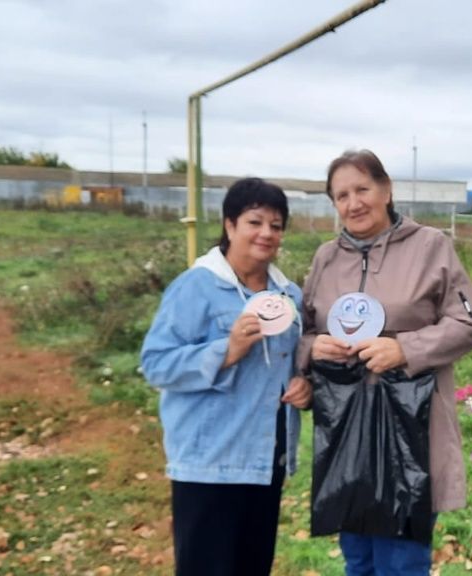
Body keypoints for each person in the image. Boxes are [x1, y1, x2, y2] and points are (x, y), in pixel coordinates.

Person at [298, 150, 472, 575]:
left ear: (386, 190)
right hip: (346, 430)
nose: (354, 203)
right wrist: (312, 348)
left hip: (410, 431)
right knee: (359, 558)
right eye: (341, 195)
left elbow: (471, 322)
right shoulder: (326, 259)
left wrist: (406, 348)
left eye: (362, 189)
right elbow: (303, 330)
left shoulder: (430, 247)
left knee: (401, 561)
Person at [140, 177, 312, 576]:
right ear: (230, 225)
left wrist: (306, 386)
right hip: (209, 461)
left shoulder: (289, 295)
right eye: (255, 221)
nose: (266, 233)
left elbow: (291, 363)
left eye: (276, 224)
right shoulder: (196, 287)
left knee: (253, 566)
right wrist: (226, 350)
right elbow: (156, 363)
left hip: (265, 459)